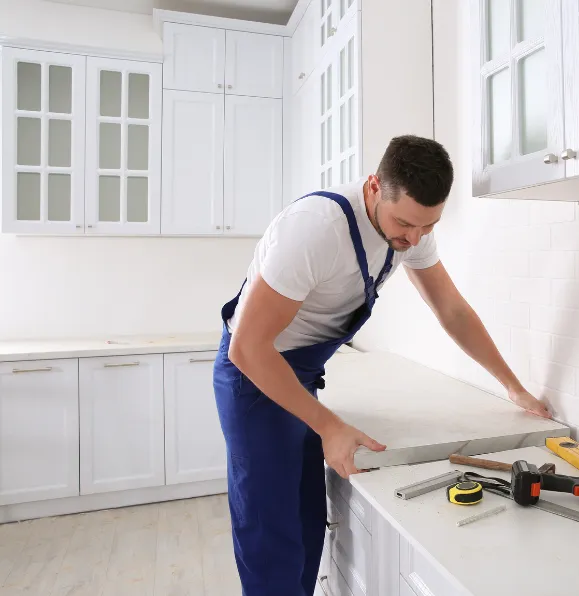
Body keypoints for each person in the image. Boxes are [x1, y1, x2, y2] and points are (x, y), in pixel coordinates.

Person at [213, 135, 551, 595]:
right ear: (374, 187)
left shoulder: (409, 232)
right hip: (254, 378)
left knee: (306, 518)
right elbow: (248, 348)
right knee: (270, 532)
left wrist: (513, 387)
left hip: (301, 377)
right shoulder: (314, 229)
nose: (413, 239)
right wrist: (329, 426)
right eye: (405, 224)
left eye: (428, 227)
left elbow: (452, 310)